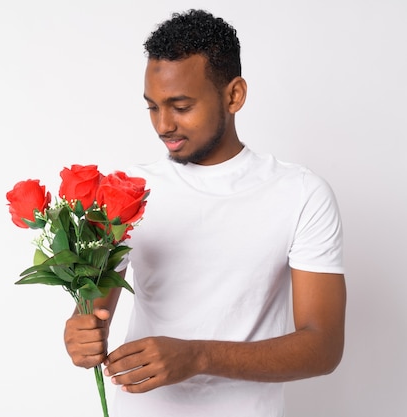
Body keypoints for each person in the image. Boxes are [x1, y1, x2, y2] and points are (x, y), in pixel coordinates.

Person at [63, 8, 346, 417]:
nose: (163, 125)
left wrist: (198, 357)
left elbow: (323, 346)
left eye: (180, 105)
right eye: (152, 107)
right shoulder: (126, 192)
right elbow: (94, 312)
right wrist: (80, 335)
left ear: (234, 96)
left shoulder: (301, 193)